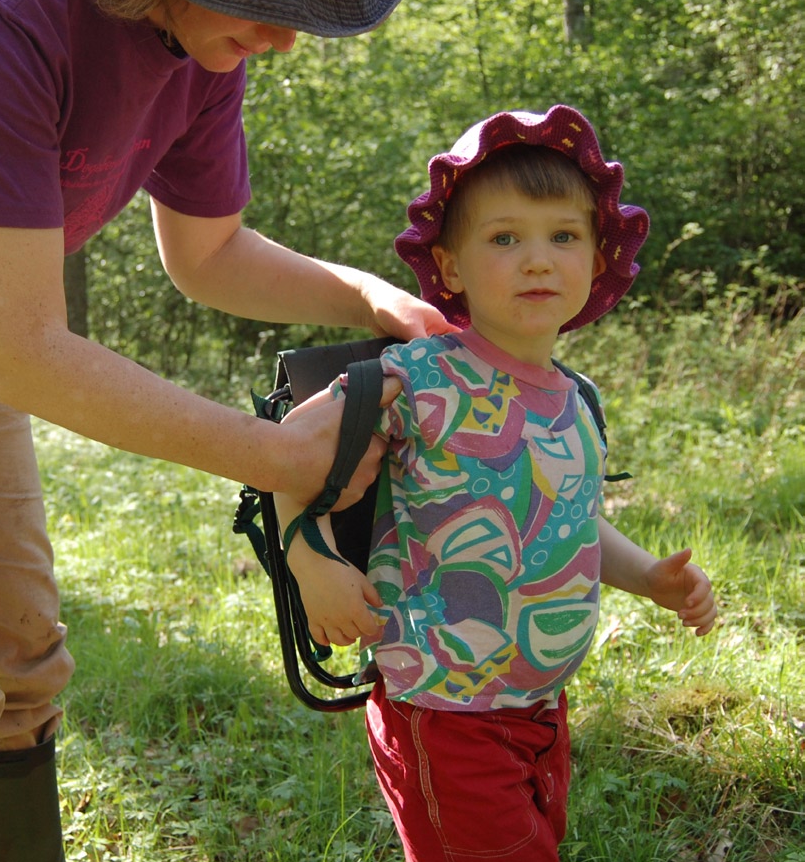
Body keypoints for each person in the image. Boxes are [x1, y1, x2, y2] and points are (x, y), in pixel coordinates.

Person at [0, 0, 456, 859]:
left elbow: (208, 253)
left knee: (18, 663)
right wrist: (278, 457)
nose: (286, 41)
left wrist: (365, 296)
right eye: (272, 2)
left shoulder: (202, 40)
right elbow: (28, 354)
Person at [275, 105, 719, 862]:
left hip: (540, 707)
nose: (539, 259)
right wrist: (309, 558)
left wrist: (649, 576)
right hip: (442, 709)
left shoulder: (575, 399)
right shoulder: (419, 379)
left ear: (596, 257)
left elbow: (570, 521)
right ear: (450, 267)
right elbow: (287, 447)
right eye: (505, 238)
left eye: (563, 236)